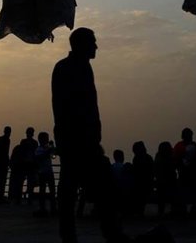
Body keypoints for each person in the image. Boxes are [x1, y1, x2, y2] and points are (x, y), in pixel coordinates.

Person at [52, 28, 124, 243]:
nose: (96, 47)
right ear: (82, 44)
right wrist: (79, 139)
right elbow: (65, 109)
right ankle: (109, 234)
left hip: (83, 141)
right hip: (78, 142)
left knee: (76, 190)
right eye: (93, 42)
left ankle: (103, 233)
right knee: (91, 189)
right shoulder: (67, 68)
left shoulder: (81, 67)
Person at [33, 132, 58, 217]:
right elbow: (40, 158)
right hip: (42, 173)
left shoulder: (46, 148)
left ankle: (53, 208)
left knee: (52, 192)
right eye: (46, 138)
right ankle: (43, 208)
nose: (47, 140)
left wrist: (52, 148)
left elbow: (53, 156)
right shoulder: (38, 149)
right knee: (42, 192)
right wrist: (49, 150)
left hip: (49, 172)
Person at [10, 127, 37, 204]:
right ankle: (22, 199)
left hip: (29, 165)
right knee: (22, 182)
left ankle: (27, 199)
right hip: (25, 165)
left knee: (28, 183)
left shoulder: (32, 142)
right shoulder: (30, 142)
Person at [131, 142, 155, 215]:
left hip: (141, 184)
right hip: (147, 183)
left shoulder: (136, 159)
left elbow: (136, 173)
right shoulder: (149, 158)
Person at [153, 141, 177, 217]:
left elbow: (156, 170)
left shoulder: (158, 158)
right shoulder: (171, 157)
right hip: (169, 182)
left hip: (161, 182)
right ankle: (172, 210)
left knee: (161, 195)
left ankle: (161, 211)